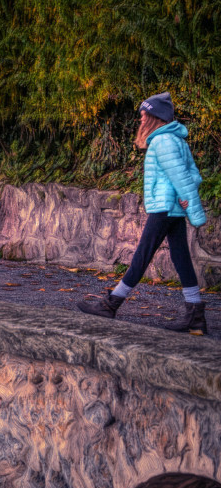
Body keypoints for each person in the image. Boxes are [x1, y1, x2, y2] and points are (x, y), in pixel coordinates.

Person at [79, 92, 210, 334]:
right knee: (181, 259)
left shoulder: (163, 142)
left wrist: (192, 207)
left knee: (141, 257)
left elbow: (182, 178)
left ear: (154, 117)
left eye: (143, 116)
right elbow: (194, 175)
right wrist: (183, 199)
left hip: (164, 208)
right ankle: (196, 315)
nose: (140, 120)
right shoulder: (176, 140)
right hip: (171, 209)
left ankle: (111, 304)